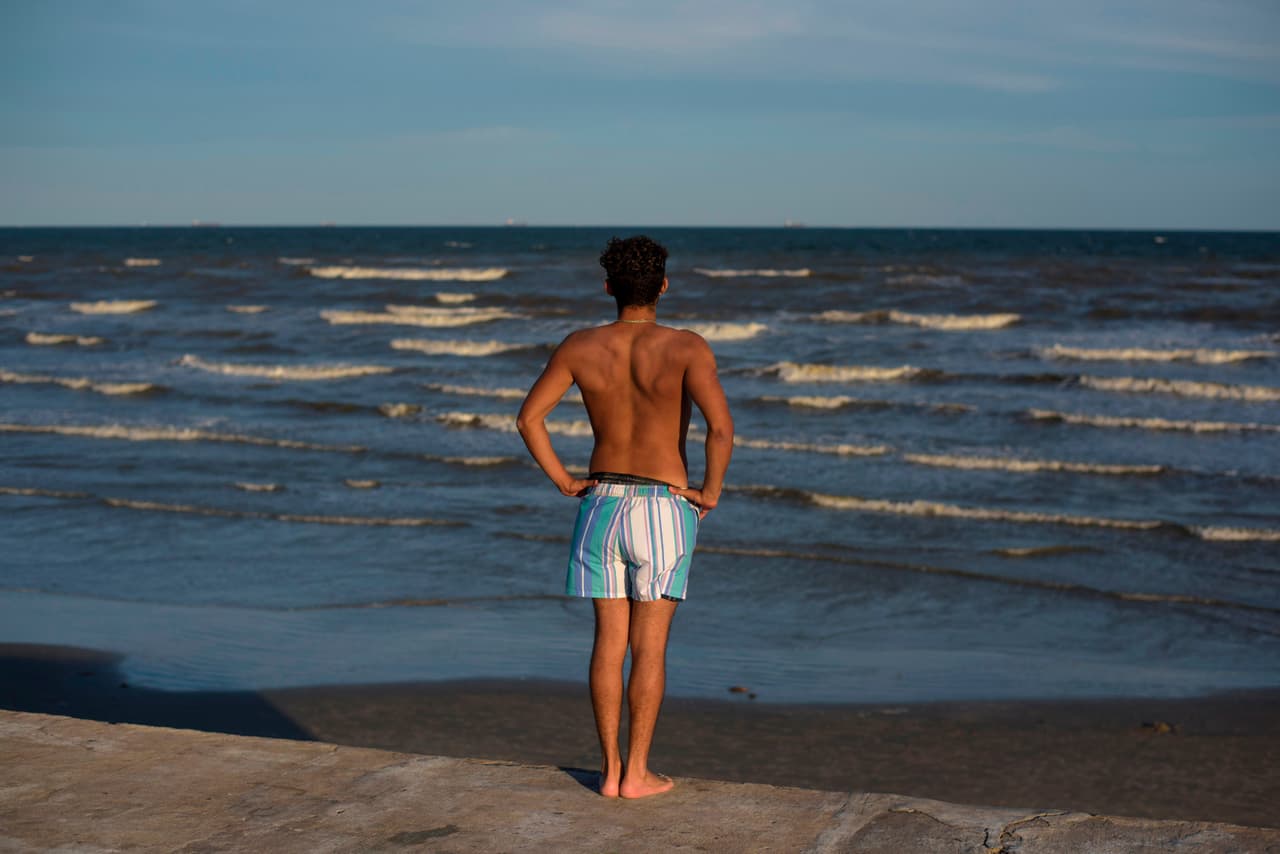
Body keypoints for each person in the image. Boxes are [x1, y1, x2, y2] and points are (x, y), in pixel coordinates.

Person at [516, 235, 734, 799]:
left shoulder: (580, 346)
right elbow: (721, 429)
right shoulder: (688, 347)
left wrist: (565, 481)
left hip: (601, 505)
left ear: (609, 287)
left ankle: (610, 771)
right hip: (663, 506)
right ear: (663, 285)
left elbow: (528, 420)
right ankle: (638, 772)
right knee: (650, 648)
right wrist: (709, 491)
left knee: (607, 644)